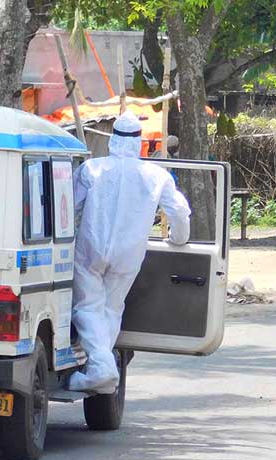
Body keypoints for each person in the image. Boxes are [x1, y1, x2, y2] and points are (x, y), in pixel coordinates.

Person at [68, 112, 192, 394]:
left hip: (90, 249)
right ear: (139, 142)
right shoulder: (157, 175)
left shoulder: (92, 169)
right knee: (112, 309)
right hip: (128, 255)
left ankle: (101, 368)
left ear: (112, 139)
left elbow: (69, 208)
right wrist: (178, 239)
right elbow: (180, 212)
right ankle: (102, 367)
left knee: (87, 307)